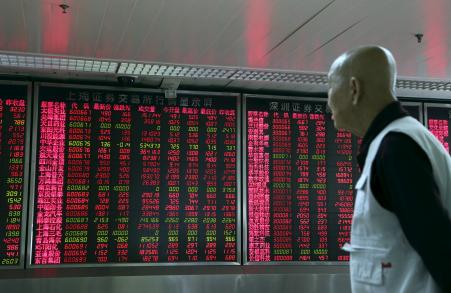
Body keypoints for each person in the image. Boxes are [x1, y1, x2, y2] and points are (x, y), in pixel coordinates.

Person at [327, 45, 451, 292]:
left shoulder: (396, 149)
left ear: (354, 89)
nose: (328, 99)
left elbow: (442, 253)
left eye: (330, 86)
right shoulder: (399, 141)